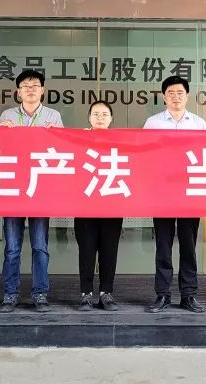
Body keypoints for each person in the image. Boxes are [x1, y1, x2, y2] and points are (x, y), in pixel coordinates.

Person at [0, 70, 63, 313]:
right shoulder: (7, 115)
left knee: (40, 246)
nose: (30, 89)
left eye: (35, 85)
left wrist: (58, 135)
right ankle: (10, 294)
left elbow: (63, 151)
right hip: (13, 188)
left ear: (43, 90)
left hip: (40, 189)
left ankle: (40, 293)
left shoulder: (53, 116)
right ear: (18, 92)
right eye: (25, 86)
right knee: (12, 247)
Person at [144, 75, 206, 313]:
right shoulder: (152, 123)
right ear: (163, 97)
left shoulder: (199, 123)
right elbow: (144, 155)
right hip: (162, 193)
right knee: (163, 244)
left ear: (187, 96)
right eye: (170, 93)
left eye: (180, 92)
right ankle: (162, 294)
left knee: (188, 245)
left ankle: (189, 295)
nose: (175, 97)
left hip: (190, 192)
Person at [74, 100, 122, 312]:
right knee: (86, 250)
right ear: (89, 118)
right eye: (96, 114)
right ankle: (86, 294)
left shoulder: (121, 141)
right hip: (84, 205)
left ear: (111, 118)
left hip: (112, 204)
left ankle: (106, 293)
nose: (100, 118)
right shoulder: (78, 139)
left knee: (109, 250)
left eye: (104, 114)